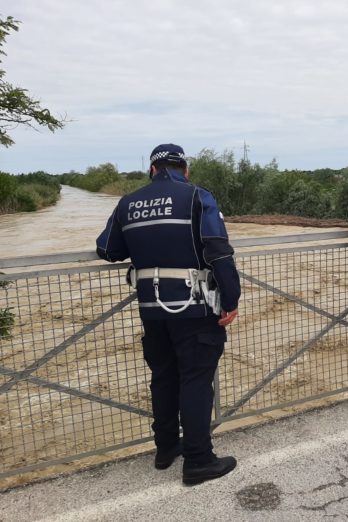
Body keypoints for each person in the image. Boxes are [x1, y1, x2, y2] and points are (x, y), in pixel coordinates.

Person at [96, 144, 241, 485]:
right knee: (196, 380)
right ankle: (198, 460)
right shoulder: (197, 196)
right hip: (194, 307)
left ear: (152, 170)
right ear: (184, 169)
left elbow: (107, 249)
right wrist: (231, 298)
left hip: (151, 310)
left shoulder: (128, 202)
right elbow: (218, 249)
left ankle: (165, 448)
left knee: (163, 377)